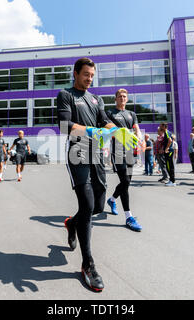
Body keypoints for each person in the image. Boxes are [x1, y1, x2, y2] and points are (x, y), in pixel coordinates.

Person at [57, 57, 137, 292]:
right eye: (86, 74)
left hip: (97, 155)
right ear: (75, 73)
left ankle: (72, 223)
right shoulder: (66, 94)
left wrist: (118, 131)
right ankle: (88, 264)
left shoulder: (96, 99)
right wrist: (91, 130)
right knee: (87, 204)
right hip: (78, 152)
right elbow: (63, 125)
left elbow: (105, 121)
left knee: (98, 206)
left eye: (92, 75)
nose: (89, 79)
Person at [106, 88, 143, 232]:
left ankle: (112, 199)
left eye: (124, 96)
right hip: (117, 151)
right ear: (115, 99)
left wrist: (139, 138)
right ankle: (129, 217)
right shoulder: (110, 113)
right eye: (120, 96)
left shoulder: (131, 114)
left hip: (129, 152)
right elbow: (107, 129)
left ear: (127, 99)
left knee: (126, 182)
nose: (122, 98)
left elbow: (137, 129)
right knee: (125, 181)